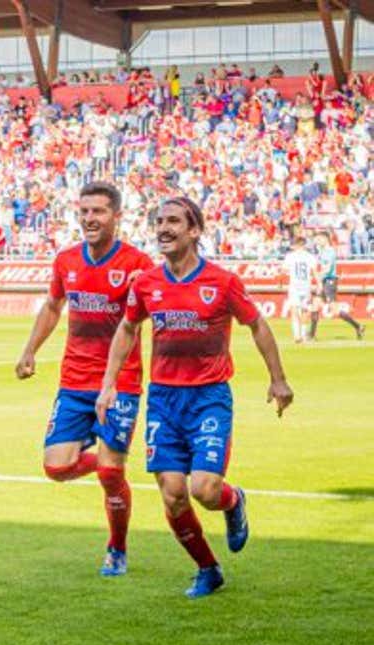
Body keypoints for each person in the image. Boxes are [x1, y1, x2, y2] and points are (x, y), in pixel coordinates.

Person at [96, 197, 293, 599]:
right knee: (172, 494)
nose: (163, 228)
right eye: (159, 221)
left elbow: (257, 325)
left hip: (208, 398)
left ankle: (233, 500)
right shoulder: (146, 284)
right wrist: (109, 382)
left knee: (204, 489)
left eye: (172, 221)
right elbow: (128, 330)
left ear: (194, 231)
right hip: (164, 401)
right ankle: (207, 569)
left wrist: (278, 380)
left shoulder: (221, 282)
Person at [15, 182, 154, 576]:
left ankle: (117, 547)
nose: (90, 219)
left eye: (99, 212)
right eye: (85, 211)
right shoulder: (66, 261)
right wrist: (30, 349)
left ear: (117, 216)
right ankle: (111, 461)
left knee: (111, 476)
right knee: (57, 467)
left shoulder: (137, 264)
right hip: (74, 381)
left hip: (120, 382)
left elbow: (154, 316)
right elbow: (54, 306)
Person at [310, 233, 366, 340]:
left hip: (329, 281)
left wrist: (319, 277)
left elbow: (327, 268)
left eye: (319, 239)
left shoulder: (330, 252)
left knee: (334, 310)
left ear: (326, 239)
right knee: (315, 306)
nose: (317, 241)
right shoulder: (321, 252)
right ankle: (311, 335)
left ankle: (358, 326)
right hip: (323, 281)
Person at [281, 237, 318, 344]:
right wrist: (319, 283)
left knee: (294, 310)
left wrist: (280, 282)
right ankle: (303, 335)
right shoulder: (310, 257)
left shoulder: (290, 257)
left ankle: (297, 335)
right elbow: (314, 271)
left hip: (294, 286)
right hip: (306, 286)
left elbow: (283, 271)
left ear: (296, 245)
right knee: (305, 310)